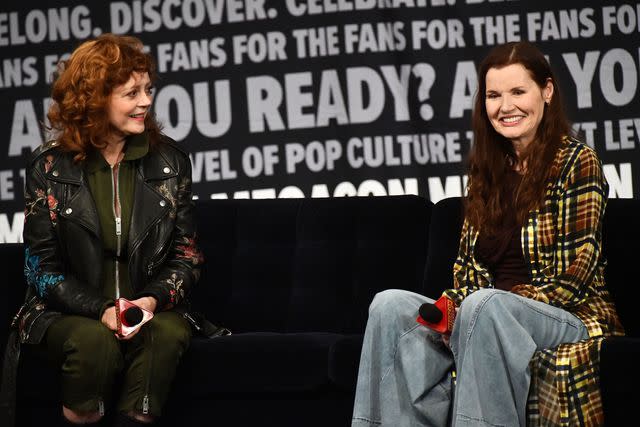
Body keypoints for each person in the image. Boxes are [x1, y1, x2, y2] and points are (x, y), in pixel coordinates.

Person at [351, 41, 624, 427]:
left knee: (484, 306)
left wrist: (482, 309)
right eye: (494, 95)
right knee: (390, 306)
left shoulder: (577, 162)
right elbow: (467, 269)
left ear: (546, 92)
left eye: (518, 91)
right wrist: (452, 311)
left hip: (569, 316)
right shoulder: (487, 171)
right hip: (487, 314)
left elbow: (573, 278)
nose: (505, 106)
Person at [14, 34, 203, 426]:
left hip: (148, 309)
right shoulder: (48, 169)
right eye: (131, 92)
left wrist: (148, 303)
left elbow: (187, 257)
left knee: (165, 336)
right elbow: (41, 269)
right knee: (94, 343)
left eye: (148, 89)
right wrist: (101, 311)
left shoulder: (170, 161)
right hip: (70, 313)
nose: (146, 101)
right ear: (95, 99)